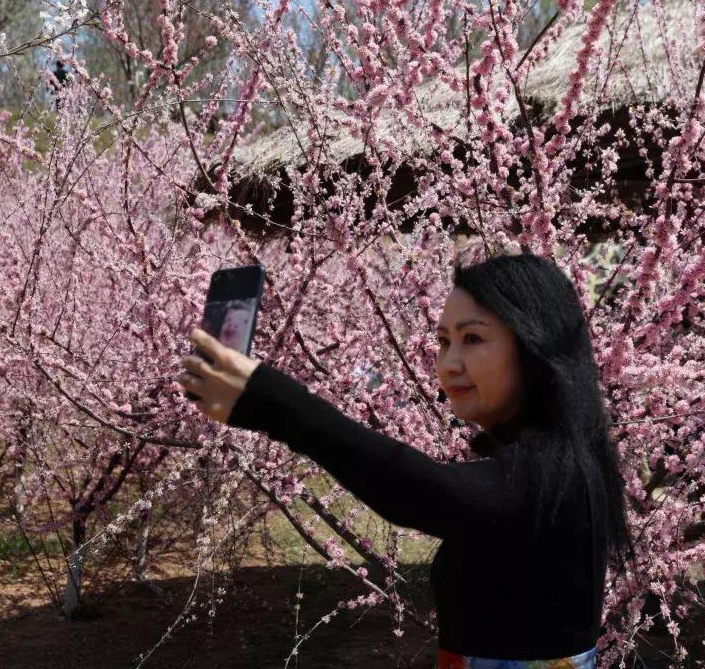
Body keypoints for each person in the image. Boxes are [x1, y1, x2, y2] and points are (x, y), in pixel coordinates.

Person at [176, 251, 637, 667]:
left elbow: (423, 491)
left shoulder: (557, 476)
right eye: (442, 342)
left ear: (535, 346)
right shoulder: (555, 464)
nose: (450, 363)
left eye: (472, 339)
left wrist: (278, 405)